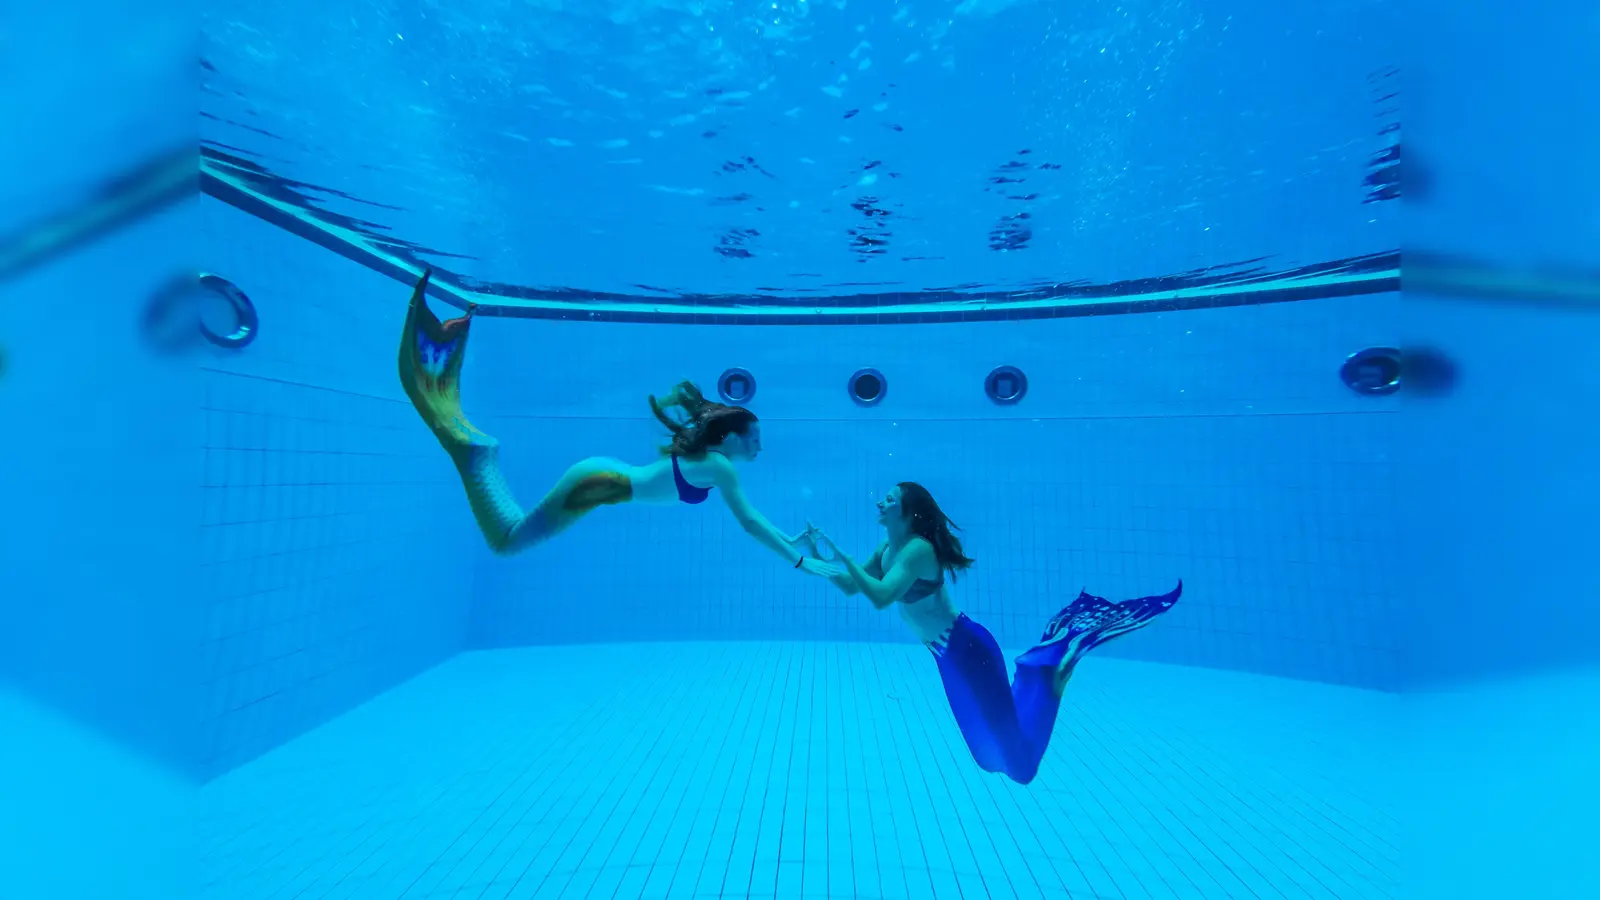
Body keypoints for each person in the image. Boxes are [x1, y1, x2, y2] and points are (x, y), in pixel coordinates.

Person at [397, 269, 836, 573]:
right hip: (600, 482)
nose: (760, 447)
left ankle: (478, 455)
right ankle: (474, 454)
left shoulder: (713, 460)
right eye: (754, 438)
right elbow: (749, 521)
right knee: (505, 542)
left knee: (511, 534)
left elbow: (755, 517)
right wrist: (799, 561)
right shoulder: (720, 466)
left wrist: (792, 541)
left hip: (602, 476)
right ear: (733, 438)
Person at [806, 483, 1182, 785]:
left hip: (968, 650)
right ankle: (1034, 677)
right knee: (987, 758)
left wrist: (842, 554)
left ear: (907, 512)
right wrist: (812, 557)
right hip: (946, 655)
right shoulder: (887, 549)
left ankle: (1050, 673)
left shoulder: (917, 551)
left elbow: (881, 596)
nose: (881, 502)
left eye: (890, 499)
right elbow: (851, 586)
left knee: (1021, 769)